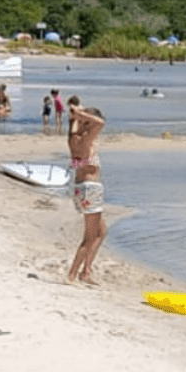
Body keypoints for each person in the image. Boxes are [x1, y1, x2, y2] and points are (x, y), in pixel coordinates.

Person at [64, 96, 106, 285]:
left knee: (101, 231)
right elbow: (100, 123)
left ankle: (86, 271)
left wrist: (76, 117)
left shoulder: (73, 138)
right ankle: (73, 275)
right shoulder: (85, 139)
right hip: (90, 189)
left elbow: (92, 123)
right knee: (89, 237)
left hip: (82, 190)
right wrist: (82, 114)